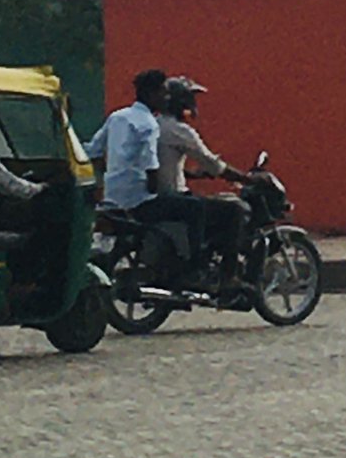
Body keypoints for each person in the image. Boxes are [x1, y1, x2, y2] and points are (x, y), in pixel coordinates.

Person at [84, 68, 205, 269]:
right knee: (196, 207)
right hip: (139, 202)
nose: (167, 98)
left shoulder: (117, 116)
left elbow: (93, 151)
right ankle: (193, 267)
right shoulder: (149, 124)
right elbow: (150, 164)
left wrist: (110, 174)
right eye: (163, 93)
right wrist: (155, 188)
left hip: (112, 198)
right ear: (151, 94)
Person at [157, 76, 251, 292]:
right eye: (190, 98)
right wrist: (246, 178)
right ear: (181, 102)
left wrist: (194, 175)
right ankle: (227, 276)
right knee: (235, 210)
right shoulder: (180, 131)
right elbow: (212, 163)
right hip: (173, 197)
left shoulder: (154, 125)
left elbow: (164, 165)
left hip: (158, 194)